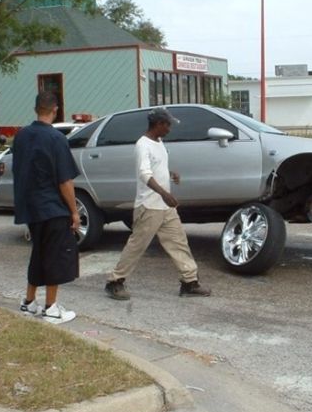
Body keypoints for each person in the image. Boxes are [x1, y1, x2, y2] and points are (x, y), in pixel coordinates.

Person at [105, 107, 210, 301]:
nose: (169, 129)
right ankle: (115, 282)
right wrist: (164, 194)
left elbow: (156, 167)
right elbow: (144, 174)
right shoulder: (142, 145)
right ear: (158, 124)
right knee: (137, 245)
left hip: (164, 208)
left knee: (179, 243)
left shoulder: (159, 142)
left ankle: (189, 283)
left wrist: (170, 173)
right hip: (149, 206)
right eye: (167, 125)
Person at [12, 91, 80, 324]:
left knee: (38, 254)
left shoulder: (21, 136)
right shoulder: (56, 138)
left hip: (31, 206)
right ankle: (51, 307)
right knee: (55, 256)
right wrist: (73, 211)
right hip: (52, 206)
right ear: (55, 109)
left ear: (35, 109)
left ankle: (29, 301)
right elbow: (65, 180)